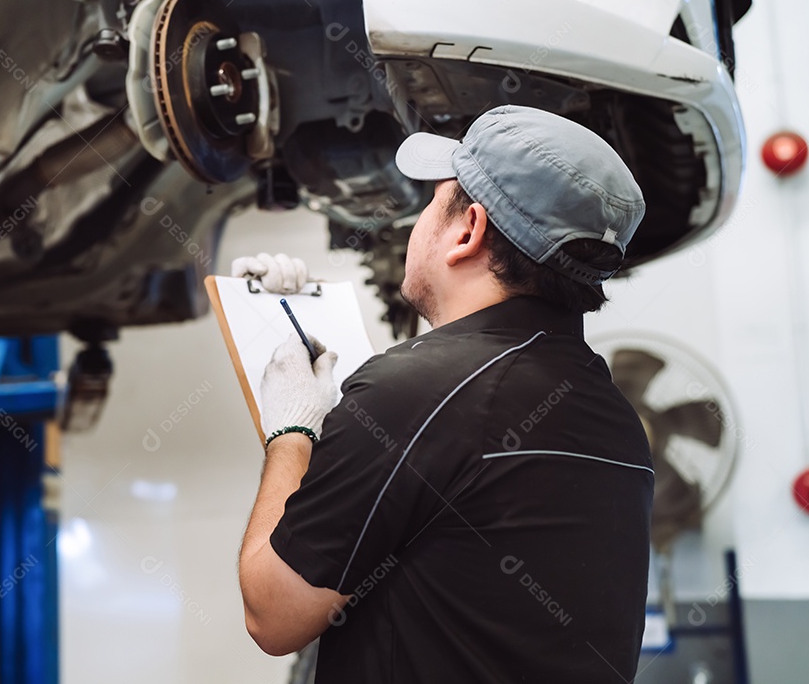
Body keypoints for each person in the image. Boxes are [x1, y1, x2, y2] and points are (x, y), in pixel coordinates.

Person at [235, 105, 654, 683]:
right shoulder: (611, 414)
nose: (417, 222)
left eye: (432, 200)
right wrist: (295, 318)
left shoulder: (414, 394)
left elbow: (273, 615)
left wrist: (292, 432)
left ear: (468, 231)